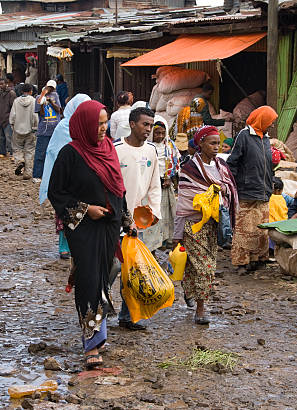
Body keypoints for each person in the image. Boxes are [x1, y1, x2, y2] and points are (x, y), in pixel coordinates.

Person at [48, 99, 132, 369]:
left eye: (105, 123)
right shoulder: (70, 154)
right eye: (97, 124)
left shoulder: (108, 148)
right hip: (84, 228)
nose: (102, 128)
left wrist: (127, 219)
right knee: (89, 279)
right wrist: (86, 209)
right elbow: (56, 193)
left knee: (105, 275)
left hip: (109, 226)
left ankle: (99, 331)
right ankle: (91, 344)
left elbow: (118, 187)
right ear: (83, 125)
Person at [174, 125, 238, 324]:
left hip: (213, 225)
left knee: (197, 266)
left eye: (218, 143)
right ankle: (201, 310)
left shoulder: (222, 167)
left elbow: (229, 189)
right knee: (205, 267)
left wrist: (219, 191)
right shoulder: (189, 169)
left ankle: (190, 290)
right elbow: (185, 198)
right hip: (193, 225)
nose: (216, 147)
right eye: (212, 143)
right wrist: (209, 193)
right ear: (200, 144)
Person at [114, 107, 161, 331]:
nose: (148, 130)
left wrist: (155, 212)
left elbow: (154, 184)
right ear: (132, 124)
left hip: (138, 221)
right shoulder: (116, 149)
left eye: (151, 126)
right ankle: (99, 311)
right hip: (115, 219)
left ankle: (128, 315)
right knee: (112, 267)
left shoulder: (151, 151)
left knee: (133, 269)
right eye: (145, 125)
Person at [39, 93, 91, 259]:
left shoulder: (91, 126)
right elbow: (54, 151)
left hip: (84, 178)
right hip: (66, 178)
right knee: (66, 212)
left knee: (85, 213)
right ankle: (64, 247)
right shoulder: (63, 127)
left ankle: (81, 245)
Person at [226, 106, 277, 272]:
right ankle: (242, 262)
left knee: (261, 229)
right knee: (244, 230)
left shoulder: (266, 139)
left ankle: (257, 259)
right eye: (270, 122)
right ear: (262, 120)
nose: (272, 126)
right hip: (246, 191)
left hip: (263, 191)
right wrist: (231, 186)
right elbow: (233, 162)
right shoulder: (244, 136)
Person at [150, 115, 180, 248]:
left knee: (168, 211)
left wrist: (169, 178)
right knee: (156, 211)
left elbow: (175, 162)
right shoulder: (148, 146)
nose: (160, 136)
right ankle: (157, 240)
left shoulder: (170, 145)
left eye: (163, 133)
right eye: (157, 133)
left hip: (167, 184)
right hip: (153, 184)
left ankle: (168, 238)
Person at [33, 80, 62, 181]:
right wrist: (42, 103)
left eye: (52, 88)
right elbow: (41, 114)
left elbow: (59, 110)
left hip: (55, 129)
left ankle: (51, 175)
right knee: (40, 153)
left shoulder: (55, 96)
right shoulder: (39, 97)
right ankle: (37, 175)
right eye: (49, 87)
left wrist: (51, 102)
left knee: (54, 153)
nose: (50, 89)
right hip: (44, 130)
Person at [10, 83, 38, 180]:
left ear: (21, 91)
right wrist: (35, 127)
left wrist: (12, 124)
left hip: (18, 129)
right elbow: (35, 116)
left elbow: (13, 115)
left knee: (17, 148)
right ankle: (27, 173)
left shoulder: (16, 101)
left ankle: (20, 160)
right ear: (31, 91)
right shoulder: (34, 101)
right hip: (30, 130)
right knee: (29, 151)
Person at [0, 78, 16, 159]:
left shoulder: (11, 93)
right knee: (0, 137)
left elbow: (13, 107)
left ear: (6, 84)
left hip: (7, 119)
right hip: (0, 118)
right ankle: (2, 152)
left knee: (9, 138)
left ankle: (12, 153)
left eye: (2, 84)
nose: (0, 86)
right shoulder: (0, 94)